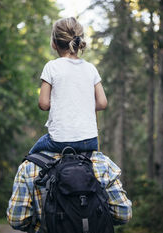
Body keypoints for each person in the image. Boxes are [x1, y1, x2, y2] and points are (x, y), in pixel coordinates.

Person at [6, 150, 132, 233]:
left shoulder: (29, 166)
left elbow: (17, 220)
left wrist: (45, 223)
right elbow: (123, 214)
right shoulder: (102, 163)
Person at [28, 17, 108, 155]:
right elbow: (102, 103)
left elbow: (43, 104)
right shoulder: (90, 69)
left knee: (30, 157)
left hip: (59, 141)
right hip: (89, 141)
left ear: (54, 43)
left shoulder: (51, 67)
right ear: (80, 42)